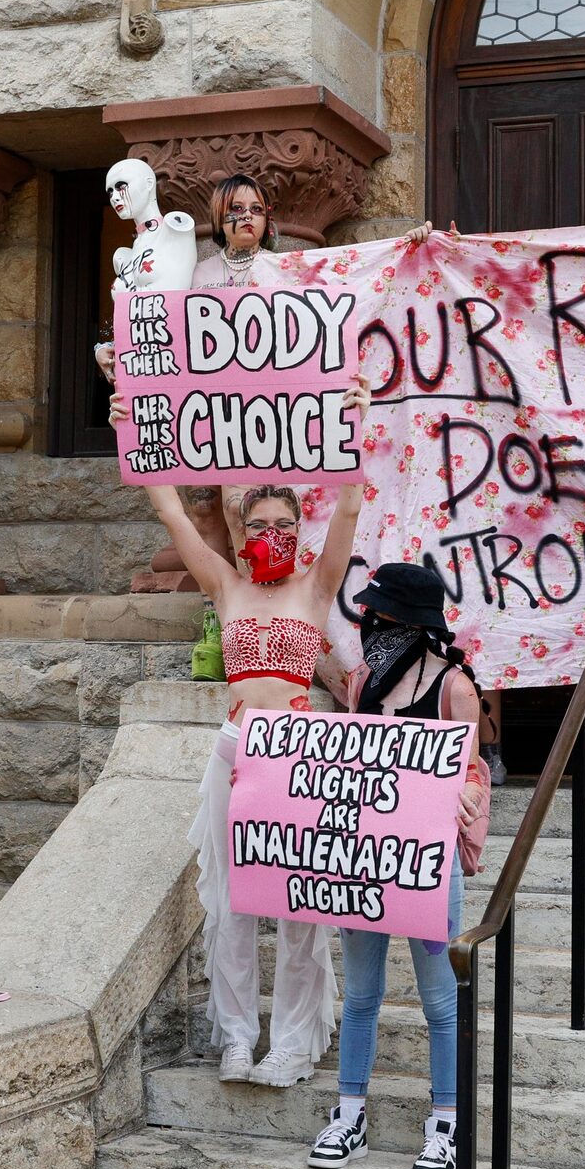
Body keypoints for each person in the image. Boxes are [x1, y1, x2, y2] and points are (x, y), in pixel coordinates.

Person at [114, 372, 370, 1085]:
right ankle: (236, 1036)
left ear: (298, 530)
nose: (271, 536)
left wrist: (355, 424)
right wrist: (131, 425)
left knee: (297, 901)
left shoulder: (315, 586)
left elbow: (349, 506)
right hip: (235, 746)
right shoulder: (225, 584)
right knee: (229, 902)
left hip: (298, 744)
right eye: (258, 526)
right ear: (242, 530)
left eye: (284, 526)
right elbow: (168, 510)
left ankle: (290, 1043)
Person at [305, 563, 489, 1169]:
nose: (370, 622)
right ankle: (349, 1112)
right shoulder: (366, 684)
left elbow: (467, 771)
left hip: (426, 866)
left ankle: (446, 1125)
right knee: (360, 996)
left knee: (441, 1001)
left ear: (408, 622)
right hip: (363, 862)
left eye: (379, 614)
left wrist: (463, 797)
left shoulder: (455, 689)